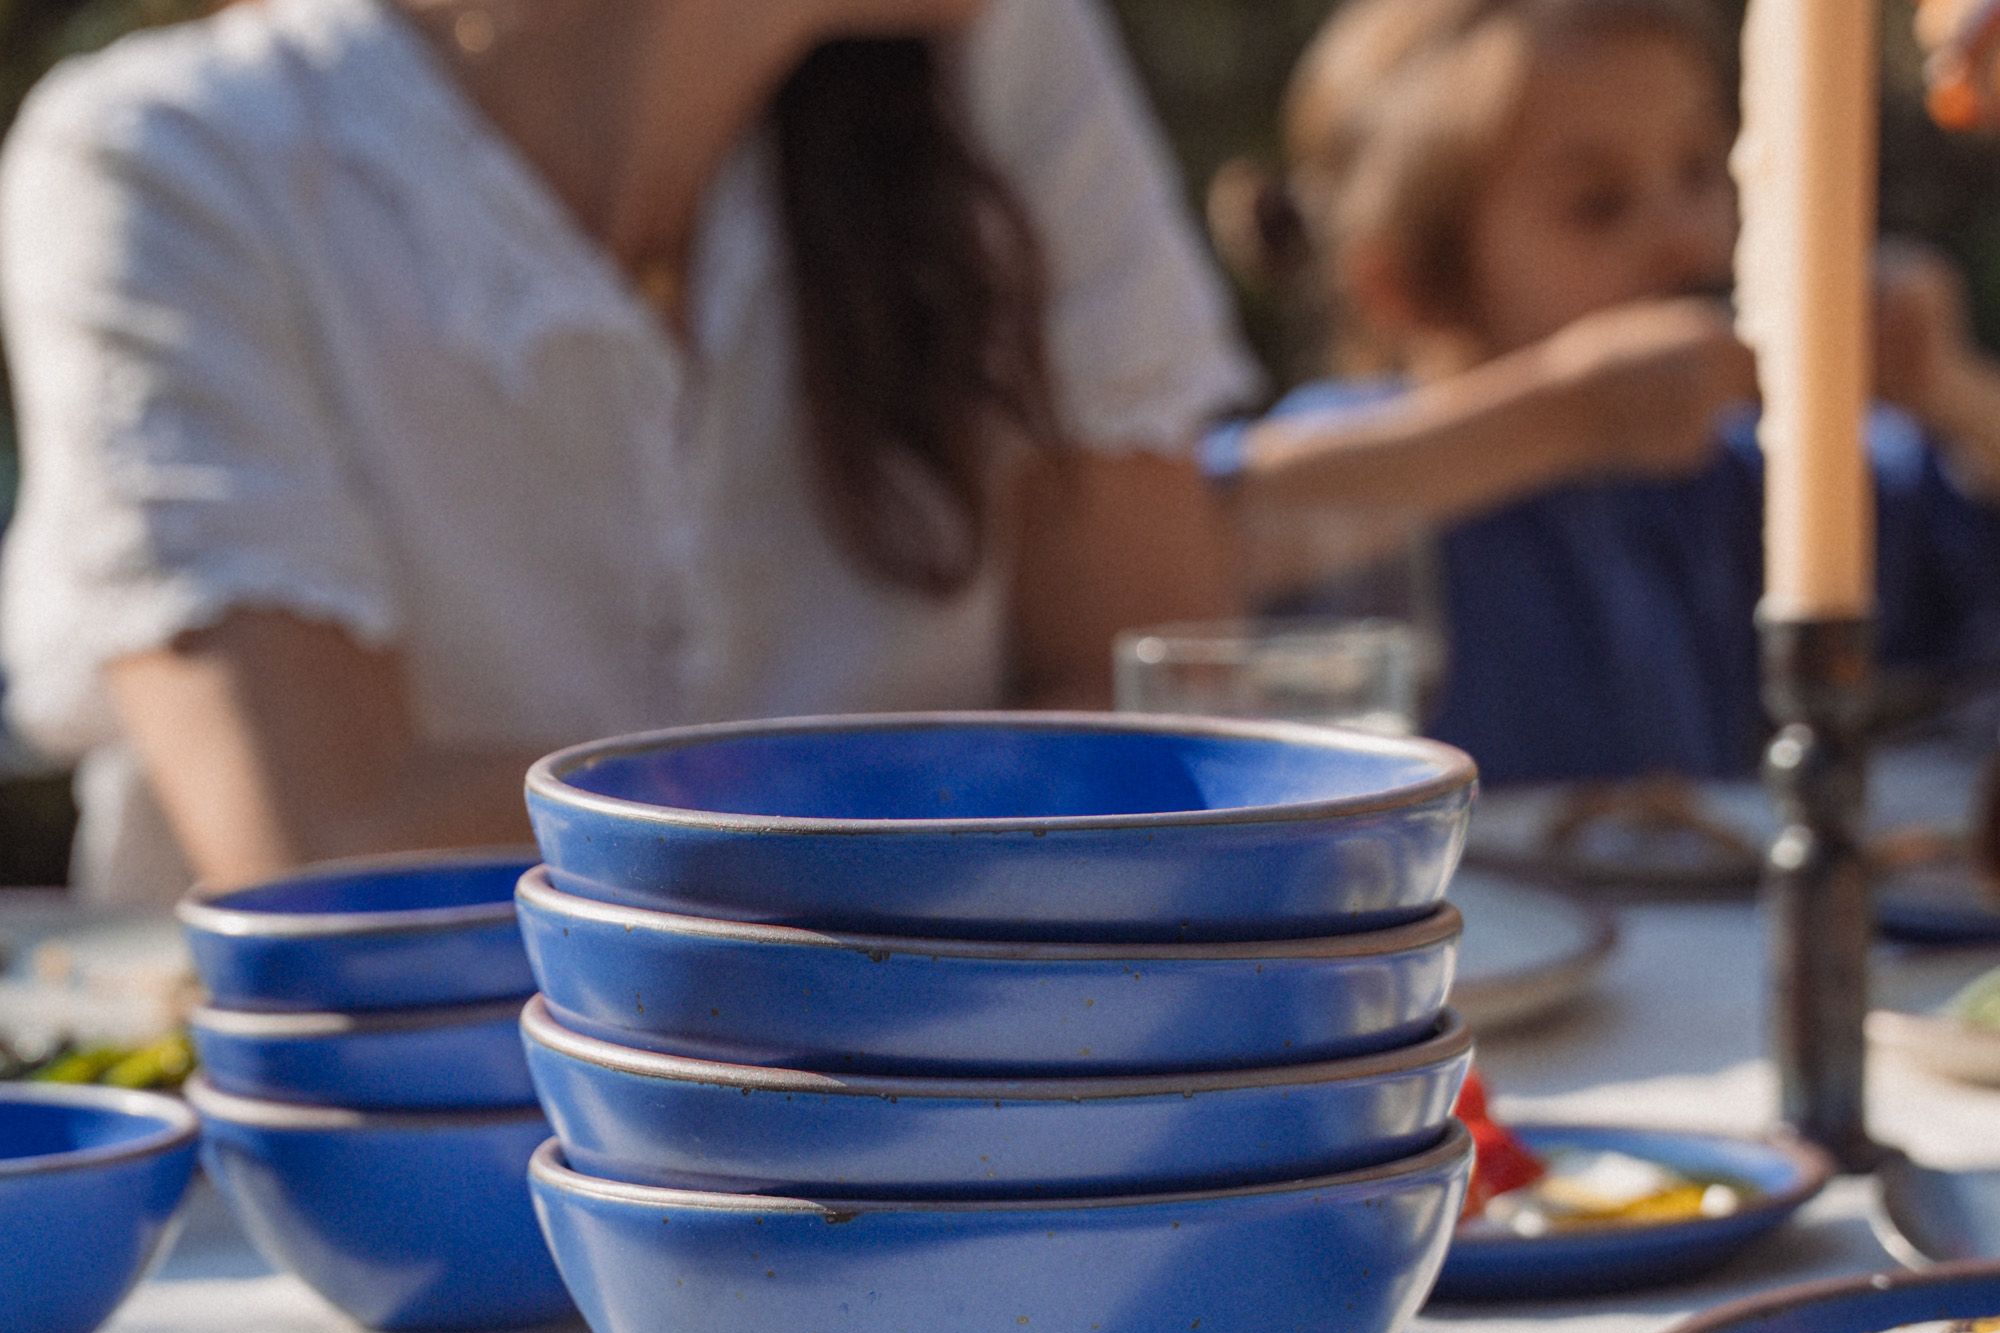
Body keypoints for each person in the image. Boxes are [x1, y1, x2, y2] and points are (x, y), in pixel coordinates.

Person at [0, 0, 1253, 901]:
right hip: (378, 1189)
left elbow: (1152, 717)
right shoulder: (165, 164)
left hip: (953, 1117)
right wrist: (960, 804)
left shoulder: (988, 54)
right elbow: (331, 850)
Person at [1205, 0, 2000, 789]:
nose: (1687, 236)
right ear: (1407, 285)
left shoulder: (1733, 473)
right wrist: (1563, 416)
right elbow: (1176, 531)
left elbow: (1958, 553)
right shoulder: (1375, 454)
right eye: (1598, 205)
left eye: (1699, 170)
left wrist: (1946, 388)